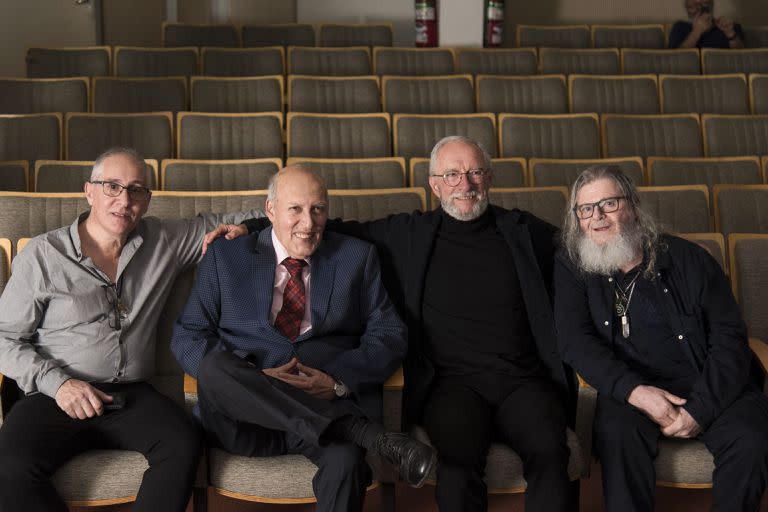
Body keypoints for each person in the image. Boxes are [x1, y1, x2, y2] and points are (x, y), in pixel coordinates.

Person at [208, 136, 574, 512]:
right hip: (452, 386)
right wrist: (254, 227)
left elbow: (580, 249)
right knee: (458, 462)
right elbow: (322, 228)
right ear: (434, 184)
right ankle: (365, 434)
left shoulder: (526, 232)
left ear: (490, 177)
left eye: (475, 172)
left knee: (550, 451)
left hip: (523, 380)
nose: (465, 184)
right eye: (451, 175)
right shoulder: (409, 234)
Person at [0, 147, 264, 512]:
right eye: (112, 187)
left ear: (148, 199)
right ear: (88, 191)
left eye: (136, 190)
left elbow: (245, 218)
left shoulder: (164, 241)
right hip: (55, 393)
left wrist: (254, 226)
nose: (124, 200)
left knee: (183, 442)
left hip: (131, 396)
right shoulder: (43, 256)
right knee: (9, 469)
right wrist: (58, 384)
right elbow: (5, 339)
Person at [171, 165, 435, 512]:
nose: (308, 223)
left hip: (326, 403)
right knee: (216, 366)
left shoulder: (357, 257)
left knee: (346, 464)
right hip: (241, 419)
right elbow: (188, 334)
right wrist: (253, 380)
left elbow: (389, 333)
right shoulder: (226, 256)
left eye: (318, 209)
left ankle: (352, 431)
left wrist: (338, 380)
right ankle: (364, 432)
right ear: (270, 211)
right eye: (295, 209)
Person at [554, 165, 768, 511]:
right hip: (632, 390)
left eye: (609, 204)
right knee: (617, 436)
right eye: (586, 209)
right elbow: (575, 341)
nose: (597, 217)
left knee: (753, 439)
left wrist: (699, 408)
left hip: (709, 381)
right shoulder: (573, 267)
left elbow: (729, 340)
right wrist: (637, 393)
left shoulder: (691, 259)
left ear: (633, 207)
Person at [669, 0, 744, 49]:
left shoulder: (729, 26)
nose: (698, 4)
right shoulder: (679, 27)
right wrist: (696, 32)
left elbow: (740, 58)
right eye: (694, 5)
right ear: (687, 7)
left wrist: (730, 34)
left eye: (702, 3)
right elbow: (676, 59)